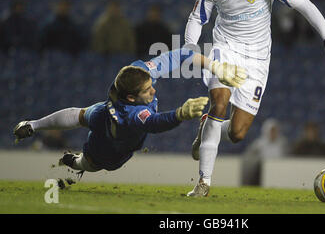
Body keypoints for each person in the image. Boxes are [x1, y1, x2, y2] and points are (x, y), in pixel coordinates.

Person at [184, 0, 325, 197]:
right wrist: (191, 48)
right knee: (219, 102)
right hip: (225, 50)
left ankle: (206, 129)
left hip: (258, 60)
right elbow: (196, 19)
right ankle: (204, 182)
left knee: (237, 132)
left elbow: (303, 4)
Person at [13, 48, 247, 175]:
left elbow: (181, 55)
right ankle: (73, 160)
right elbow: (154, 123)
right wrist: (181, 114)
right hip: (111, 148)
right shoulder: (131, 113)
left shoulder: (138, 72)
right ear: (132, 98)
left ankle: (33, 125)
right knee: (92, 164)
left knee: (83, 114)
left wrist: (215, 66)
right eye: (147, 91)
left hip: (104, 113)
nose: (154, 90)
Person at [240, 118, 288, 186]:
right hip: (262, 172)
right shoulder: (258, 144)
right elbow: (249, 156)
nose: (273, 133)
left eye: (275, 130)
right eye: (272, 131)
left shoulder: (282, 143)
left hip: (279, 171)